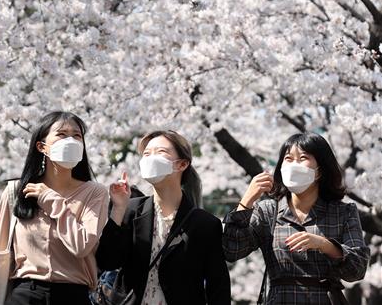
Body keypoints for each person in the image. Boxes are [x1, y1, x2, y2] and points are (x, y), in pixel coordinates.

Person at [0, 111, 109, 305]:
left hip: (72, 295)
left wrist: (51, 200)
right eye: (62, 134)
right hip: (25, 295)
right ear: (41, 146)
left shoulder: (95, 193)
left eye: (77, 136)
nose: (70, 141)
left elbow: (81, 246)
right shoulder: (16, 192)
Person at [222, 132, 370, 304]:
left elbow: (357, 270)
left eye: (303, 158)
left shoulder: (343, 212)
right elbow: (231, 250)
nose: (294, 164)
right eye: (288, 158)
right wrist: (246, 201)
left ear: (320, 171)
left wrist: (324, 245)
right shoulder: (268, 211)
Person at [96, 130, 231, 305]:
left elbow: (218, 286)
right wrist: (118, 209)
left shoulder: (205, 224)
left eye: (160, 152)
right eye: (146, 154)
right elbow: (107, 261)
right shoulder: (131, 209)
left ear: (182, 164)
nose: (151, 158)